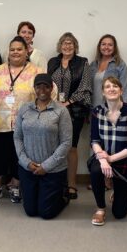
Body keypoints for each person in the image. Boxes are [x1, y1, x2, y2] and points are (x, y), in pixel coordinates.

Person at [0, 36, 42, 204]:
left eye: (19, 49)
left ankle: (15, 186)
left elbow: (49, 93)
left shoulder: (36, 71)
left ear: (26, 51)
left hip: (25, 125)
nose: (15, 52)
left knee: (19, 157)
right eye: (12, 49)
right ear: (8, 52)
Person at [14, 73, 72, 219]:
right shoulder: (24, 109)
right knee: (31, 211)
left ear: (51, 88)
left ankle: (63, 195)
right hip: (29, 169)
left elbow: (66, 142)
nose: (42, 90)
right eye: (38, 86)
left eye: (46, 86)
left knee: (47, 213)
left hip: (53, 170)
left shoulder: (61, 111)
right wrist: (26, 162)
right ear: (34, 88)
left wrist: (46, 166)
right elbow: (17, 137)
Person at [90, 77, 127, 226]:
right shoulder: (97, 111)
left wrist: (111, 159)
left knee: (120, 213)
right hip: (102, 160)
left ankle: (118, 190)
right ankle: (100, 209)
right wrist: (103, 160)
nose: (111, 89)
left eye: (115, 86)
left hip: (124, 164)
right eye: (107, 87)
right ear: (103, 92)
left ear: (121, 90)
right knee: (95, 170)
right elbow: (94, 141)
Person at [48, 32, 92, 200]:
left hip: (75, 111)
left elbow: (85, 86)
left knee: (71, 147)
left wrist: (68, 102)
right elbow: (46, 83)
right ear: (60, 46)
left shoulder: (83, 62)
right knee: (54, 147)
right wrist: (54, 102)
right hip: (53, 110)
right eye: (64, 44)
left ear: (75, 46)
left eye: (70, 44)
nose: (67, 46)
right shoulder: (52, 62)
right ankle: (57, 183)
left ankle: (72, 185)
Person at [89, 34, 127, 108]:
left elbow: (124, 89)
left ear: (114, 48)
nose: (106, 47)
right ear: (99, 47)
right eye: (103, 44)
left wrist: (123, 109)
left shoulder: (120, 64)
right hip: (93, 109)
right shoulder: (93, 64)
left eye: (110, 45)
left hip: (112, 108)